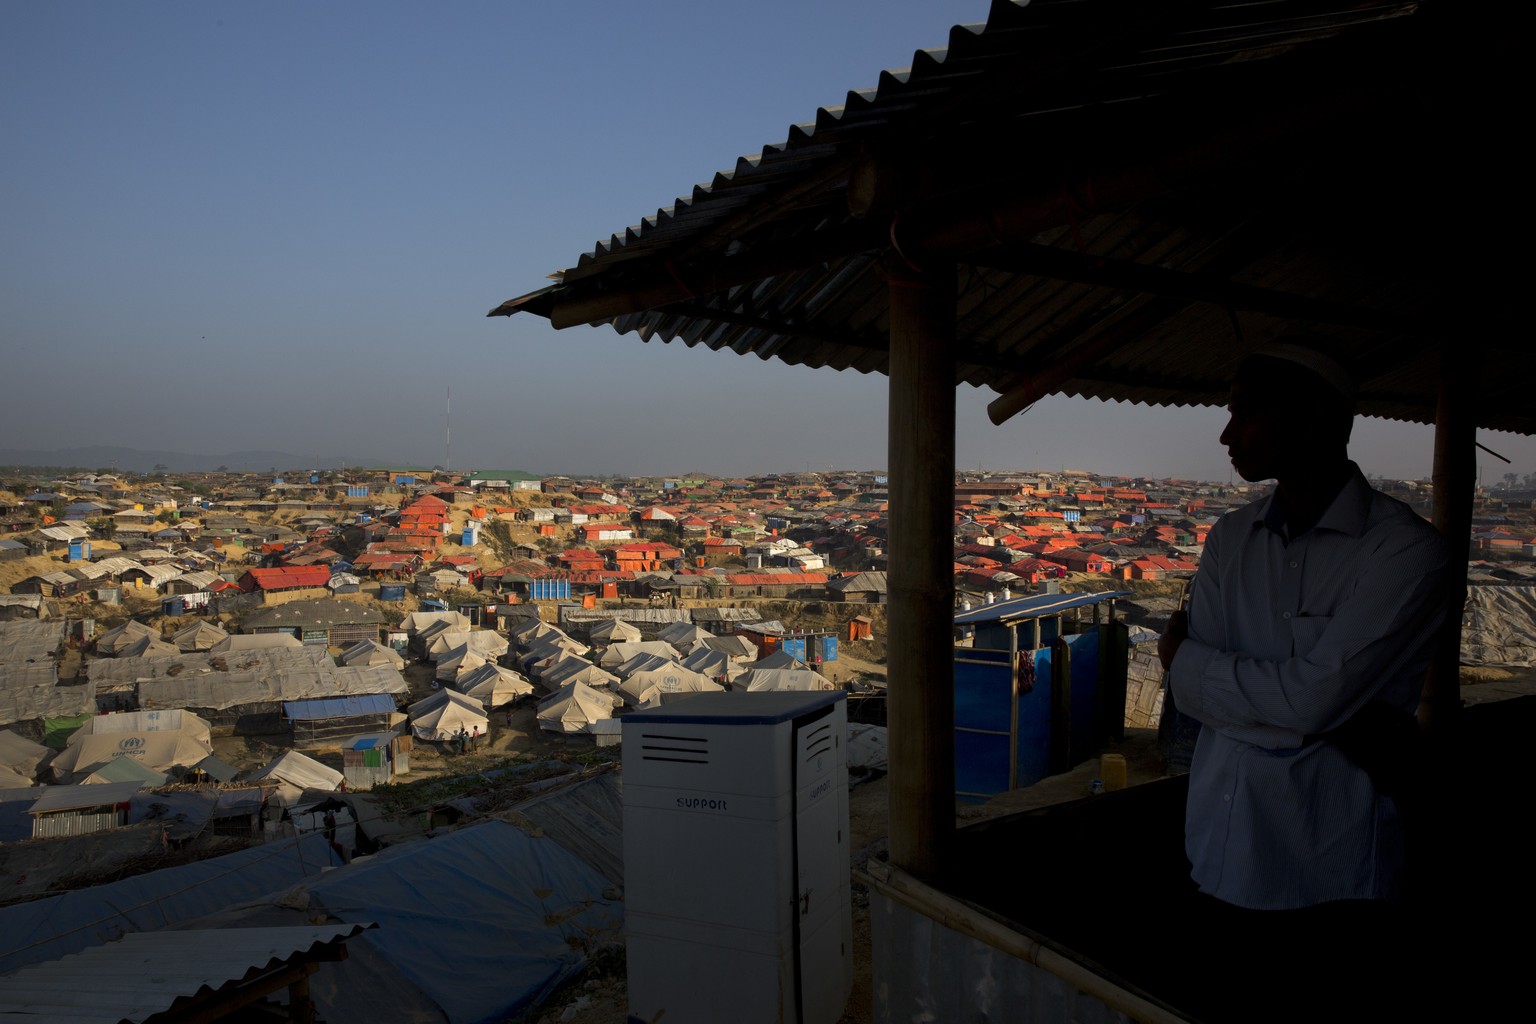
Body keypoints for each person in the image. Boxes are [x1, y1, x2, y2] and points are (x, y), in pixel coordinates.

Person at [1158, 340, 1448, 1016]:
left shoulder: (1405, 553)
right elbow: (1294, 702)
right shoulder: (1230, 540)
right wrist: (1303, 707)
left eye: (1246, 413)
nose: (1227, 434)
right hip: (1217, 851)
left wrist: (1192, 665)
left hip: (1328, 869)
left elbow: (1294, 696)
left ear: (1314, 413)